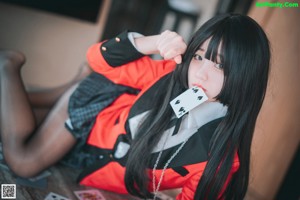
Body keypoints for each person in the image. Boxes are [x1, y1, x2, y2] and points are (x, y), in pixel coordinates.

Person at [0, 13, 270, 200]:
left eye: (219, 65)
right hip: (95, 113)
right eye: (199, 57)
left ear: (245, 76)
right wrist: (152, 42)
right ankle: (8, 65)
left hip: (93, 157)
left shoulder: (220, 158)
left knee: (17, 115)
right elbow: (97, 60)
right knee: (24, 163)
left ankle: (59, 91)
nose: (200, 74)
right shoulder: (169, 73)